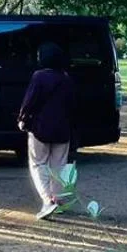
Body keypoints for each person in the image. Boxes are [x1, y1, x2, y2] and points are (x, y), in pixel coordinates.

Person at [19, 41, 80, 220]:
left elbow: (30, 101)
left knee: (38, 164)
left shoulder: (39, 76)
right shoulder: (66, 78)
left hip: (40, 128)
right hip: (62, 129)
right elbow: (73, 105)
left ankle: (47, 200)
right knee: (59, 165)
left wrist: (22, 119)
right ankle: (57, 200)